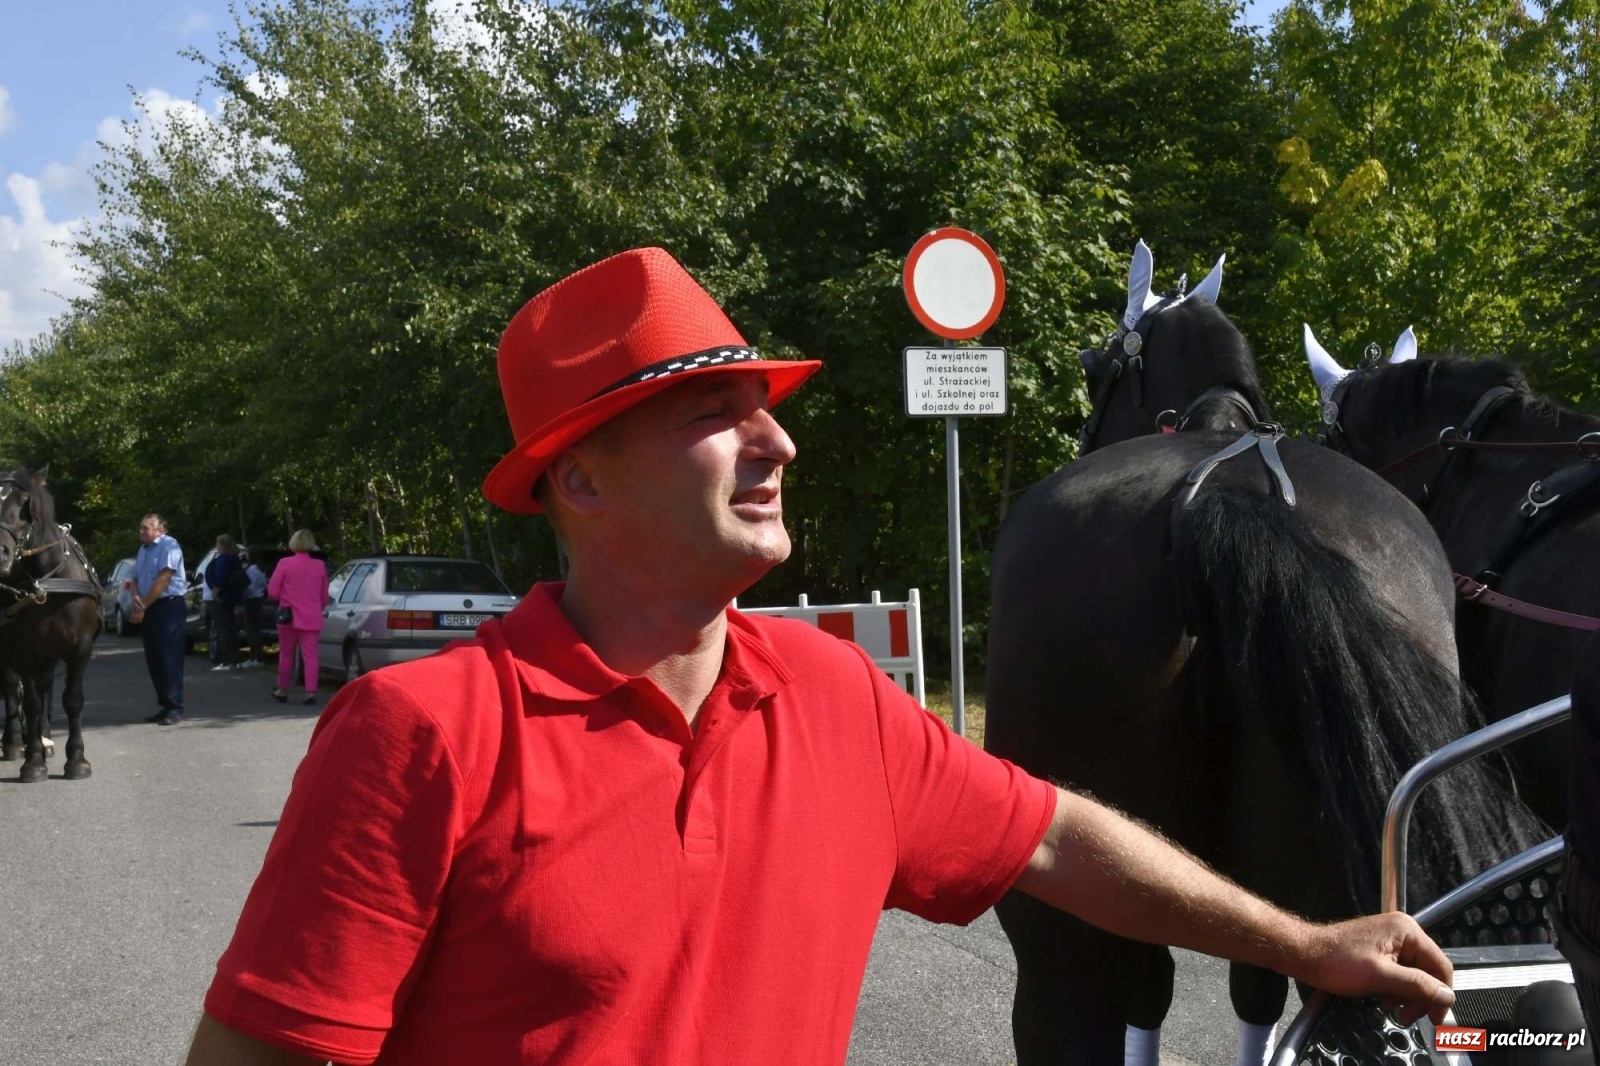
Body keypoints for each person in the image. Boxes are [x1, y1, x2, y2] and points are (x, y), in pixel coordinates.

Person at [187, 248, 1458, 1066]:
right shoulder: (422, 733)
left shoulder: (835, 697)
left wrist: (1305, 945)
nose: (779, 445)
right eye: (714, 416)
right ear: (579, 478)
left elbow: (1060, 840)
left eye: (767, 411)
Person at [132, 513, 187, 726]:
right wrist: (136, 598)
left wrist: (143, 605)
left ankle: (175, 706)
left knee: (169, 657)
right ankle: (165, 704)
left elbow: (164, 578)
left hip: (168, 607)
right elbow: (134, 578)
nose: (141, 531)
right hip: (149, 607)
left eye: (146, 528)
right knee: (154, 659)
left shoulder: (169, 545)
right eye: (140, 527)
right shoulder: (143, 550)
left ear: (160, 530)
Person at [266, 530, 328, 705]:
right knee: (311, 656)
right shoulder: (319, 565)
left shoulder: (285, 563)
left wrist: (286, 598)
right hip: (312, 616)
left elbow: (272, 590)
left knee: (286, 653)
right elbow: (324, 596)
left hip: (288, 615)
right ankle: (310, 692)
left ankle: (282, 689)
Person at [204, 534, 245, 671]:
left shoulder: (222, 560)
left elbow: (220, 577)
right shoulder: (235, 559)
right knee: (231, 628)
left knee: (223, 629)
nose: (217, 546)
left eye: (218, 544)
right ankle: (235, 659)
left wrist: (215, 591)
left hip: (221, 597)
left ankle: (226, 661)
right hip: (231, 596)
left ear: (222, 545)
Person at [240, 551, 269, 667]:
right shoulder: (261, 569)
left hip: (251, 599)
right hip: (258, 598)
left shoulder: (252, 570)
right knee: (252, 628)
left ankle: (256, 657)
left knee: (251, 628)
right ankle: (255, 656)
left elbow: (250, 587)